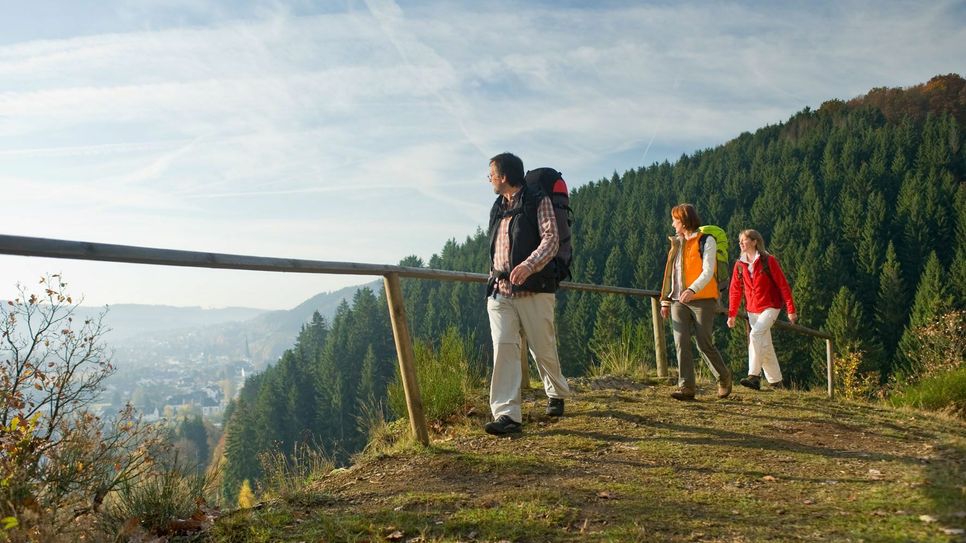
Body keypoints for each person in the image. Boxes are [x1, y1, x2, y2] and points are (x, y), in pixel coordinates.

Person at [483, 152, 572, 435]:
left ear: (504, 176)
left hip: (534, 290)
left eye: (491, 174)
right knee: (504, 349)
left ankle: (556, 392)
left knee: (541, 347)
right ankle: (507, 415)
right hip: (500, 292)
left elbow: (551, 239)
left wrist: (529, 265)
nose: (489, 180)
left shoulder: (537, 200)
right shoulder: (498, 206)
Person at [659, 203, 732, 401]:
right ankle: (686, 387)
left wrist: (693, 289)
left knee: (703, 343)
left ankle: (724, 377)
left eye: (675, 220)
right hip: (678, 300)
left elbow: (708, 271)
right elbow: (670, 273)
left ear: (683, 221)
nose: (673, 224)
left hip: (703, 299)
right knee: (680, 342)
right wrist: (665, 300)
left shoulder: (706, 241)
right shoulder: (677, 242)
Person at [726, 229, 797, 390]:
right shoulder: (739, 265)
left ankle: (754, 377)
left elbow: (783, 286)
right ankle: (776, 383)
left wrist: (791, 309)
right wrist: (732, 314)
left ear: (754, 242)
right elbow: (735, 291)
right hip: (752, 310)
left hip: (771, 307)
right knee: (764, 345)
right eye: (740, 241)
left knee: (755, 335)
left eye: (744, 240)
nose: (741, 243)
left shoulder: (768, 261)